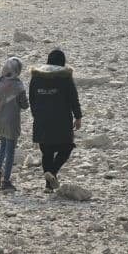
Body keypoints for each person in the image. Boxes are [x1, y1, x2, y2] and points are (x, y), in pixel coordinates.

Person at [29, 49, 82, 192]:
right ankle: (52, 172)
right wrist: (78, 117)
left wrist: (37, 116)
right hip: (61, 120)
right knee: (66, 147)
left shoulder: (36, 76)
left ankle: (48, 185)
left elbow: (32, 99)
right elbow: (73, 98)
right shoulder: (65, 76)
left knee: (47, 151)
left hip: (41, 120)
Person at [0, 56, 29, 192]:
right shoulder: (17, 85)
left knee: (3, 146)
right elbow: (24, 105)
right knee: (10, 151)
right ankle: (6, 181)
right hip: (12, 121)